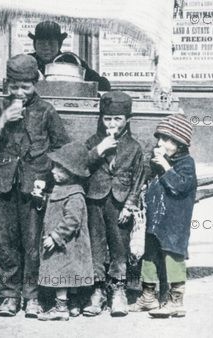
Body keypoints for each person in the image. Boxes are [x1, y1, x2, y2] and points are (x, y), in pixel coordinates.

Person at [0, 54, 69, 318]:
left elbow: (60, 146)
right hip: (3, 184)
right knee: (5, 241)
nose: (19, 92)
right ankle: (8, 295)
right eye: (14, 87)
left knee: (33, 242)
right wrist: (3, 119)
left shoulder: (46, 110)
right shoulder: (0, 107)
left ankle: (32, 296)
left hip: (34, 185)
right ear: (8, 84)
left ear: (35, 83)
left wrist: (48, 174)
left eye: (25, 87)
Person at [82, 91, 144, 317]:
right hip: (95, 200)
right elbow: (83, 167)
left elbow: (138, 179)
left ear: (127, 120)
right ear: (101, 119)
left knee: (119, 245)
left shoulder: (134, 147)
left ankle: (118, 290)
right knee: (96, 245)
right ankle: (97, 290)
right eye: (107, 118)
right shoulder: (93, 142)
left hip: (119, 203)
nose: (112, 123)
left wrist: (129, 205)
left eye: (117, 119)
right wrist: (100, 149)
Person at [131, 113, 196, 318]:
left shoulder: (186, 163)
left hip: (174, 223)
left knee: (173, 256)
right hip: (155, 219)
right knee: (149, 256)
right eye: (159, 138)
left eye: (167, 140)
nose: (161, 143)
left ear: (180, 144)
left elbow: (180, 186)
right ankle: (148, 297)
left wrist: (166, 167)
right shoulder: (157, 161)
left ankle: (176, 301)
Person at [36, 141, 94, 321]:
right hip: (66, 245)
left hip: (66, 245)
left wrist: (55, 237)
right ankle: (72, 306)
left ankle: (61, 309)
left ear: (72, 173)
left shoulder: (75, 195)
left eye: (59, 168)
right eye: (54, 166)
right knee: (69, 275)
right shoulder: (62, 189)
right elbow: (55, 207)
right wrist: (41, 198)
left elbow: (72, 220)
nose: (53, 171)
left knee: (61, 274)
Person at [28, 20, 111, 91]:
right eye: (41, 43)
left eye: (51, 43)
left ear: (59, 44)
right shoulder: (26, 61)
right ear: (35, 45)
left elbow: (103, 84)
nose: (46, 47)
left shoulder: (71, 60)